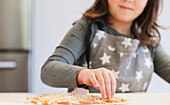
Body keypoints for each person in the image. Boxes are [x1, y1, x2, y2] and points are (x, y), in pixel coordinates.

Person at [41, 0, 170, 99]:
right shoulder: (86, 29)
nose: (129, 0)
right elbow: (48, 70)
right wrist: (84, 75)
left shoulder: (148, 41)